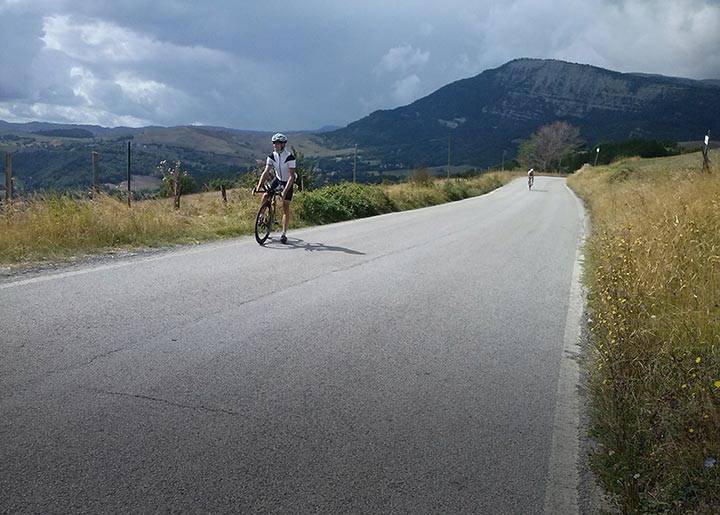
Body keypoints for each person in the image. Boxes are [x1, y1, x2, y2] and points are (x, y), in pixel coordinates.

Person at [255, 133, 296, 244]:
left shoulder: (290, 157)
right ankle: (261, 216)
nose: (275, 145)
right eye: (274, 143)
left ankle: (284, 234)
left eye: (277, 143)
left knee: (285, 206)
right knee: (265, 195)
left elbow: (292, 176)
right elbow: (266, 172)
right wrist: (259, 186)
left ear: (283, 144)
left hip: (288, 181)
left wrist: (284, 191)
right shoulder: (272, 156)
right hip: (277, 180)